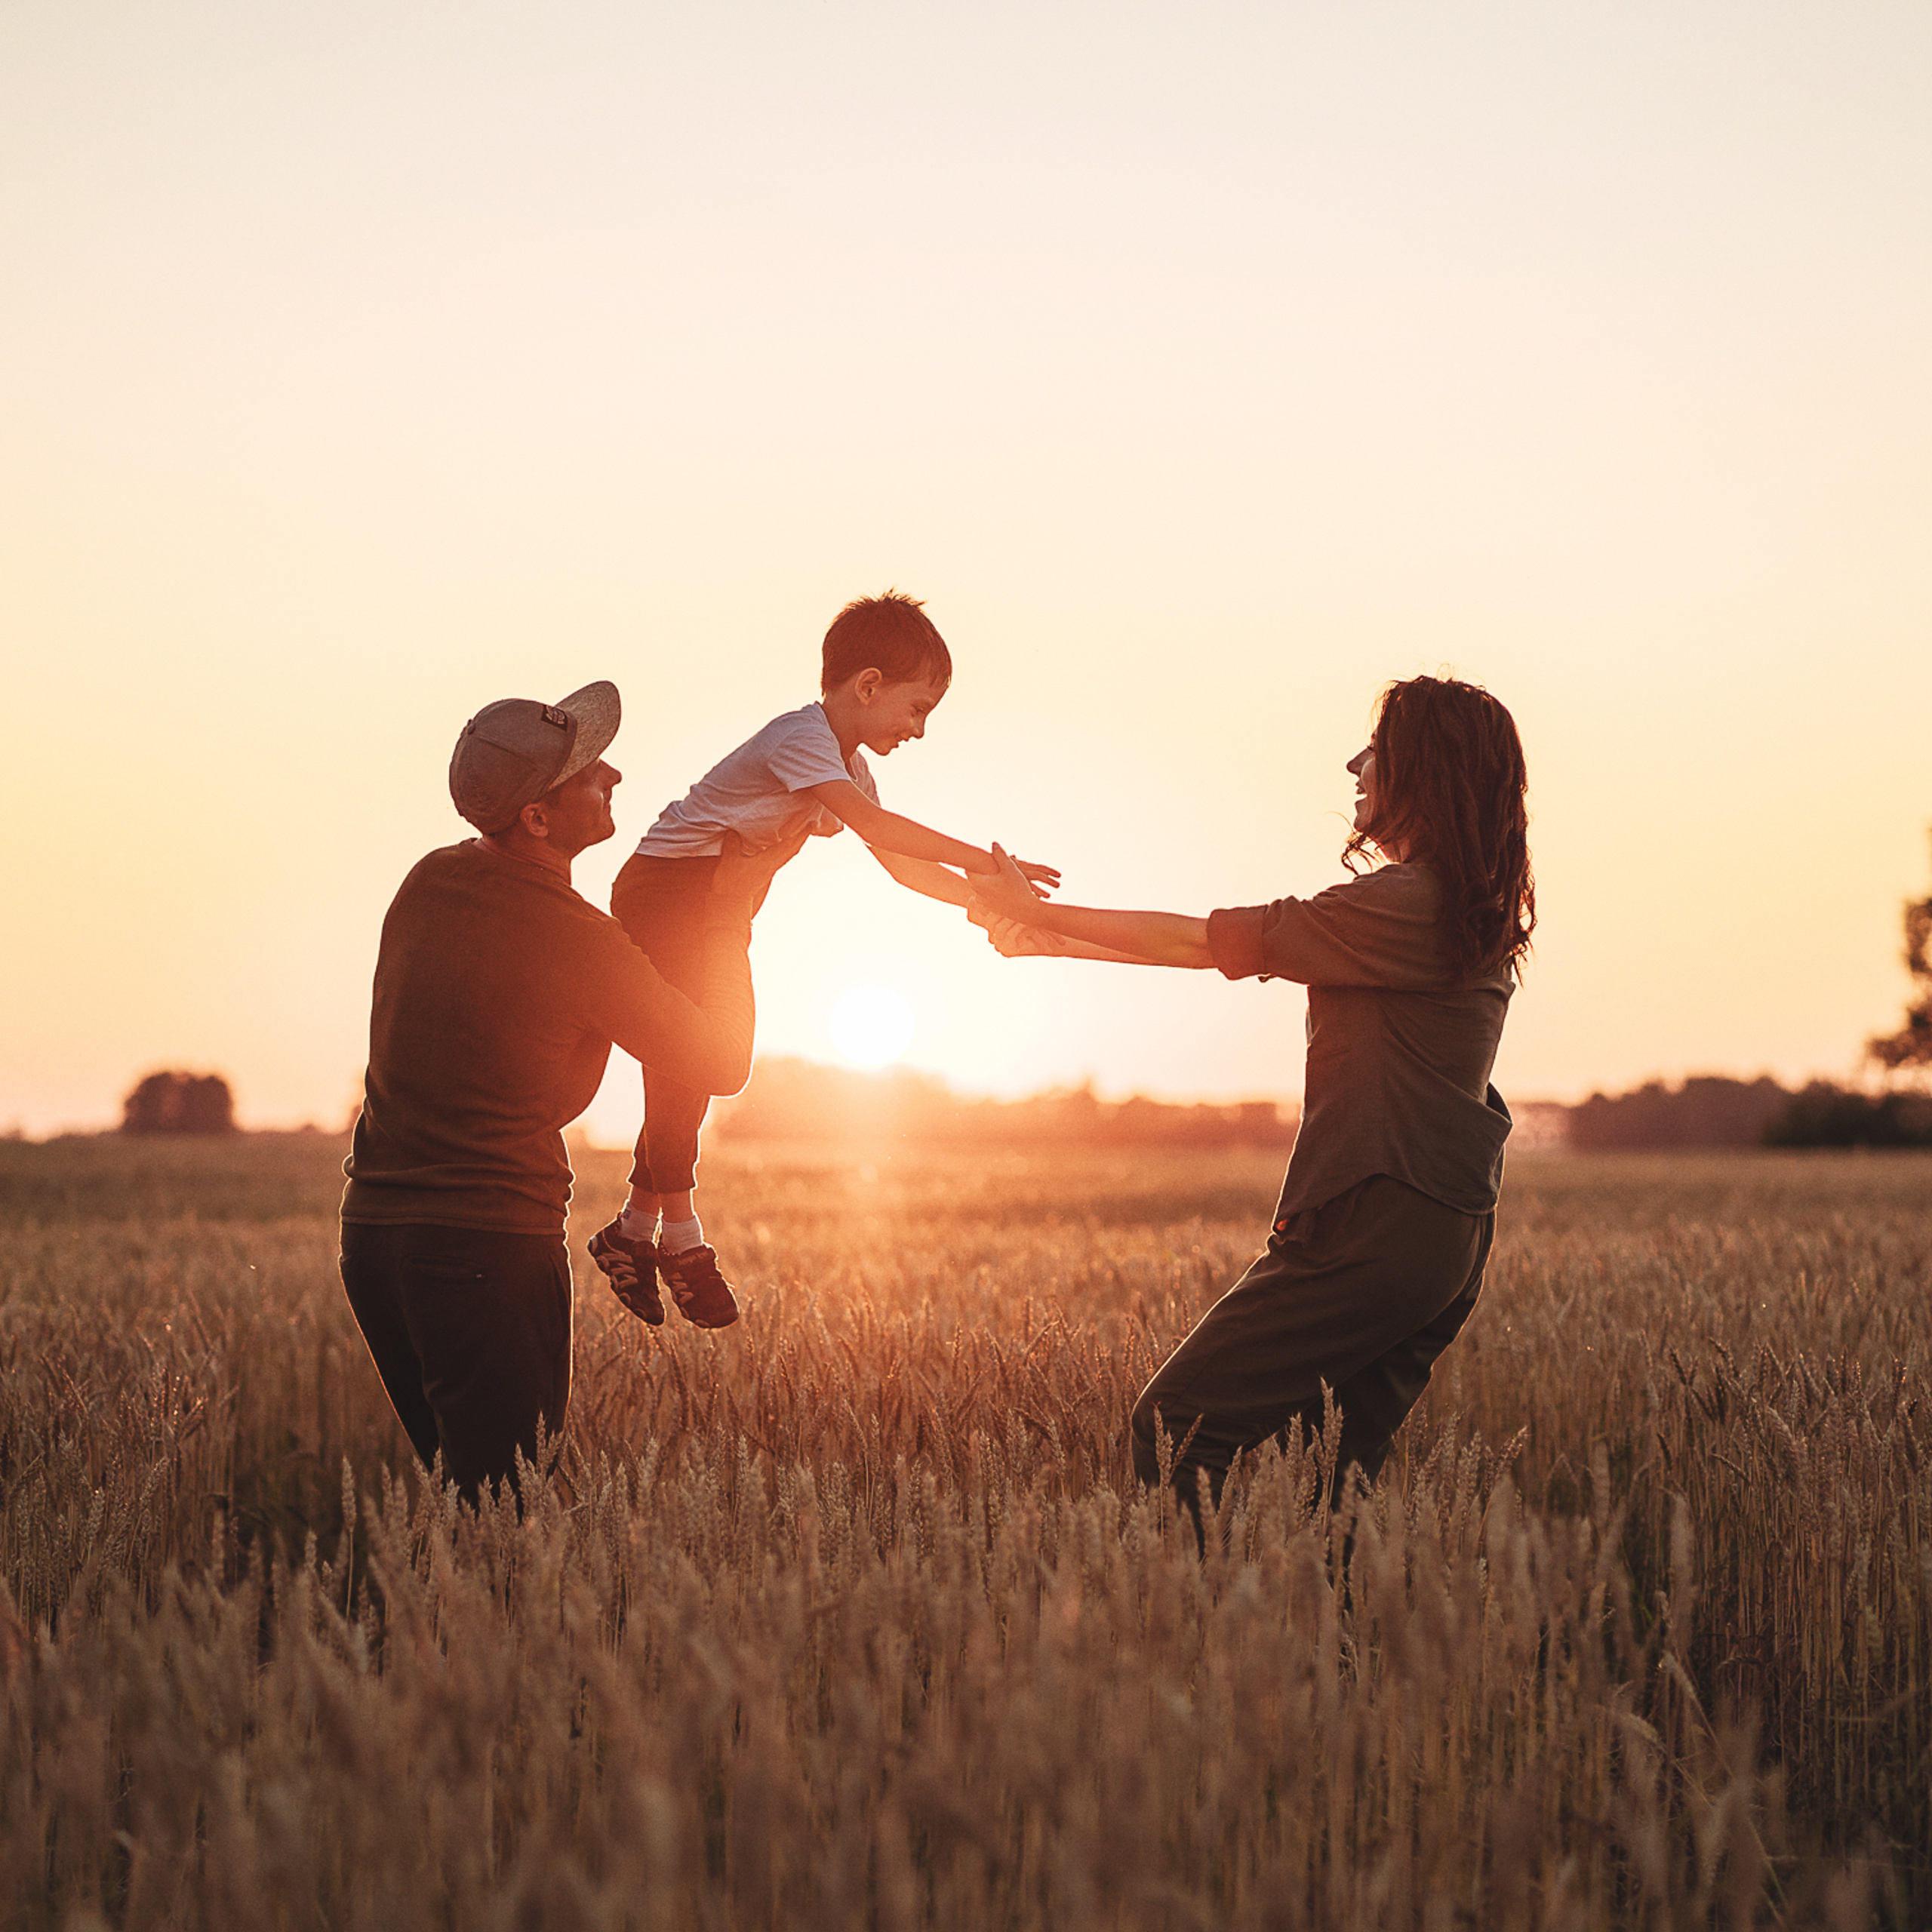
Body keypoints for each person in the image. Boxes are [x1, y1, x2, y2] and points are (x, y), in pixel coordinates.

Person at [969, 674, 1534, 1533]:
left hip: (1372, 1224)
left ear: (1425, 769)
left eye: (1376, 749)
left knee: (1174, 1427)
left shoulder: (1402, 904)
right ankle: (1321, 1658)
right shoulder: (1458, 907)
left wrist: (1040, 915)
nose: (1356, 763)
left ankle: (1210, 1639)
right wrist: (1044, 938)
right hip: (1442, 1235)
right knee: (1322, 1488)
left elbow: (1202, 942)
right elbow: (1203, 947)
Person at [338, 681, 805, 1505]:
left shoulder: (427, 883)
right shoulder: (580, 939)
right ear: (537, 819)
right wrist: (731, 915)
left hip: (374, 1243)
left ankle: (420, 1633)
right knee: (504, 1524)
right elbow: (722, 1061)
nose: (615, 775)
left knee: (466, 1505)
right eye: (589, 771)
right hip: (484, 1246)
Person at [588, 590, 1058, 1323]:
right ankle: (679, 1238)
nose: (920, 729)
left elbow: (900, 866)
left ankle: (632, 1231)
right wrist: (992, 863)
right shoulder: (800, 739)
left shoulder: (843, 767)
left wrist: (987, 900)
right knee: (691, 1057)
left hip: (720, 908)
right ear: (867, 685)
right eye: (918, 707)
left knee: (715, 1059)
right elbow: (880, 828)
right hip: (666, 893)